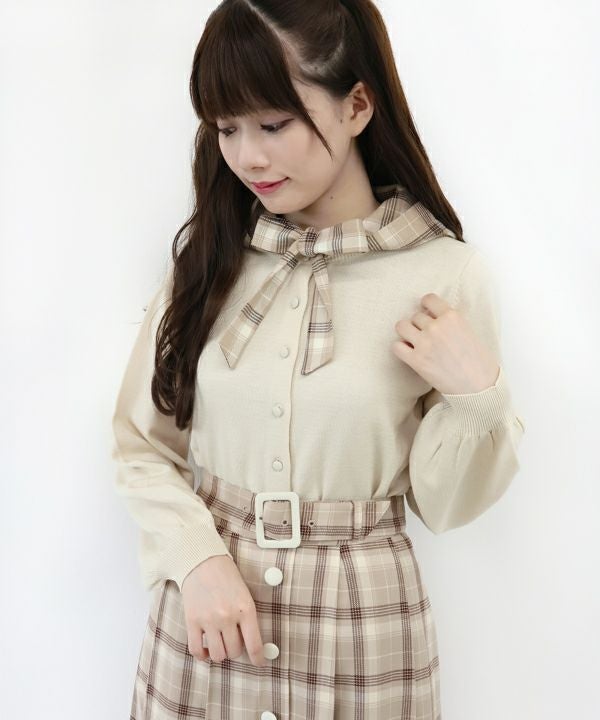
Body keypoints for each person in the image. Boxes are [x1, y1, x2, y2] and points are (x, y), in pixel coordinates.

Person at [111, 1, 526, 718]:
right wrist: (195, 558)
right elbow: (141, 445)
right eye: (228, 128)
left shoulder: (445, 275)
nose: (248, 157)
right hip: (210, 625)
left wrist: (477, 397)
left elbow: (448, 506)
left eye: (274, 124)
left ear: (357, 105)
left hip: (365, 633)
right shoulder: (211, 263)